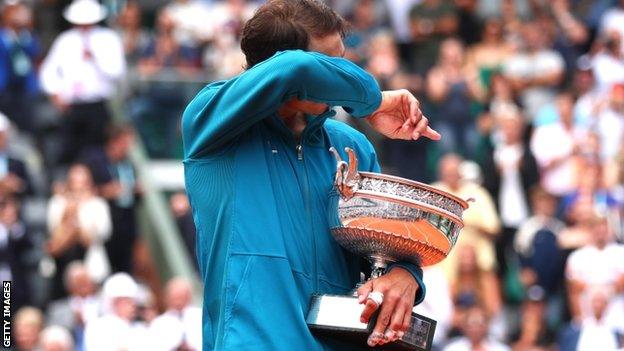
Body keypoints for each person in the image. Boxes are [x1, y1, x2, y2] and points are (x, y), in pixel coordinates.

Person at [182, 0, 441, 349]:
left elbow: (387, 249)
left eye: (342, 59)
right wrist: (373, 100)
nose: (340, 74)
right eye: (329, 63)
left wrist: (405, 276)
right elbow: (294, 68)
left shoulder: (352, 146)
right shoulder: (210, 123)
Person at [40, 0, 126, 164]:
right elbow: (48, 70)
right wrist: (55, 93)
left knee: (96, 152)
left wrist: (96, 58)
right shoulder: (65, 40)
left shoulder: (109, 39)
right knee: (69, 151)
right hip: (72, 106)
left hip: (98, 105)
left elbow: (117, 72)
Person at [46, 164, 112, 298]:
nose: (79, 187)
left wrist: (77, 214)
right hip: (62, 263)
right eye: (75, 181)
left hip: (90, 263)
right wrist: (70, 211)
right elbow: (54, 233)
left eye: (83, 182)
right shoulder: (57, 202)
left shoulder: (98, 204)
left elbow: (101, 234)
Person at [80, 125, 139, 274]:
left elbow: (131, 194)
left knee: (125, 268)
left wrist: (137, 191)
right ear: (114, 142)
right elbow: (83, 188)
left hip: (126, 224)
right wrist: (105, 191)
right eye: (125, 142)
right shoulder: (94, 161)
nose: (128, 147)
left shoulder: (129, 164)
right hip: (103, 224)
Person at [0, 1, 39, 132]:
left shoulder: (28, 37)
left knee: (26, 127)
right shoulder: (3, 37)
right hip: (4, 90)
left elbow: (34, 53)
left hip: (24, 91)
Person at [83, 273, 148, 351]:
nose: (133, 305)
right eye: (128, 301)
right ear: (114, 302)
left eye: (133, 301)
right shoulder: (98, 327)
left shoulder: (140, 328)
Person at [46, 261, 101, 347]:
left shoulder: (104, 305)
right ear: (69, 285)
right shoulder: (57, 310)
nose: (82, 285)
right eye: (78, 282)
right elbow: (53, 336)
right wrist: (74, 321)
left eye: (85, 281)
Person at [148, 277, 202, 350]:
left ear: (188, 296)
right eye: (175, 297)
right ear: (167, 298)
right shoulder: (158, 324)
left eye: (181, 297)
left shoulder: (200, 315)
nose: (178, 302)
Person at [443, 305, 510, 351]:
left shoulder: (500, 349)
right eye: (472, 324)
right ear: (465, 326)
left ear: (486, 325)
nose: (475, 329)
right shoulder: (453, 348)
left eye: (479, 324)